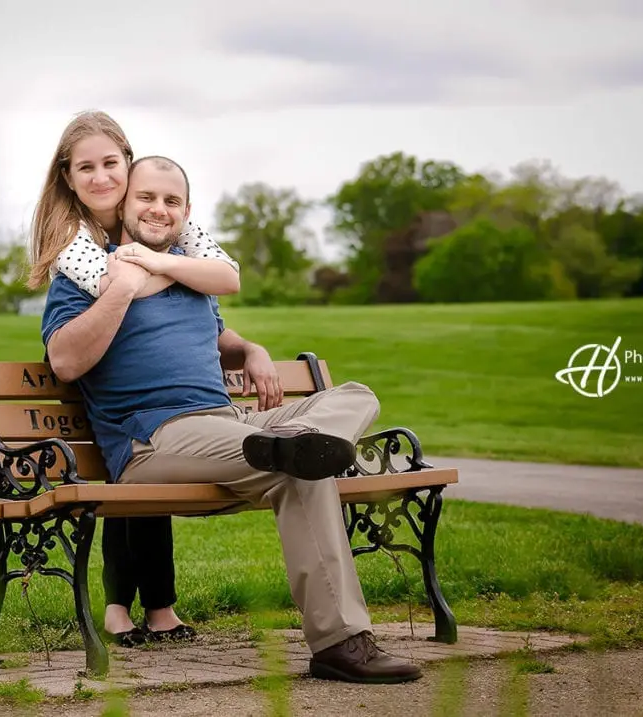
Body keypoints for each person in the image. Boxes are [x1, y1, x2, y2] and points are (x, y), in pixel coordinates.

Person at [40, 155, 423, 684]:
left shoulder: (191, 273)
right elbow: (63, 360)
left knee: (355, 397)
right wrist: (125, 289)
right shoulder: (93, 276)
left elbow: (214, 337)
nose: (159, 209)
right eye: (147, 198)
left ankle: (293, 442)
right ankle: (341, 642)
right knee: (299, 465)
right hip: (155, 439)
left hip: (232, 422)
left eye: (172, 201)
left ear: (187, 211)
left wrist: (251, 348)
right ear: (124, 203)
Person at [26, 110, 272, 646]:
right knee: (135, 471)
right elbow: (121, 290)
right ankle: (121, 608)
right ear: (66, 176)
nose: (100, 178)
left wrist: (161, 264)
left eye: (111, 163)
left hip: (170, 405)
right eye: (84, 167)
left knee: (149, 472)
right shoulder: (74, 238)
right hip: (125, 401)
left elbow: (222, 282)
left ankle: (156, 607)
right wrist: (150, 265)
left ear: (130, 166)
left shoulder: (161, 219)